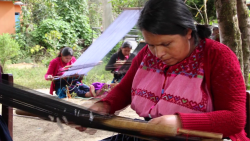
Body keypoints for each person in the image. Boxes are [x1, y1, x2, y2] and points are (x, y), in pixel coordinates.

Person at [75, 0, 248, 140]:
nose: (158, 54)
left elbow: (234, 119)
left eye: (166, 44)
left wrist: (179, 122)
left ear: (188, 32)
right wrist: (104, 106)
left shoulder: (217, 56)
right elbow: (125, 89)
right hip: (154, 134)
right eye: (151, 45)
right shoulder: (146, 55)